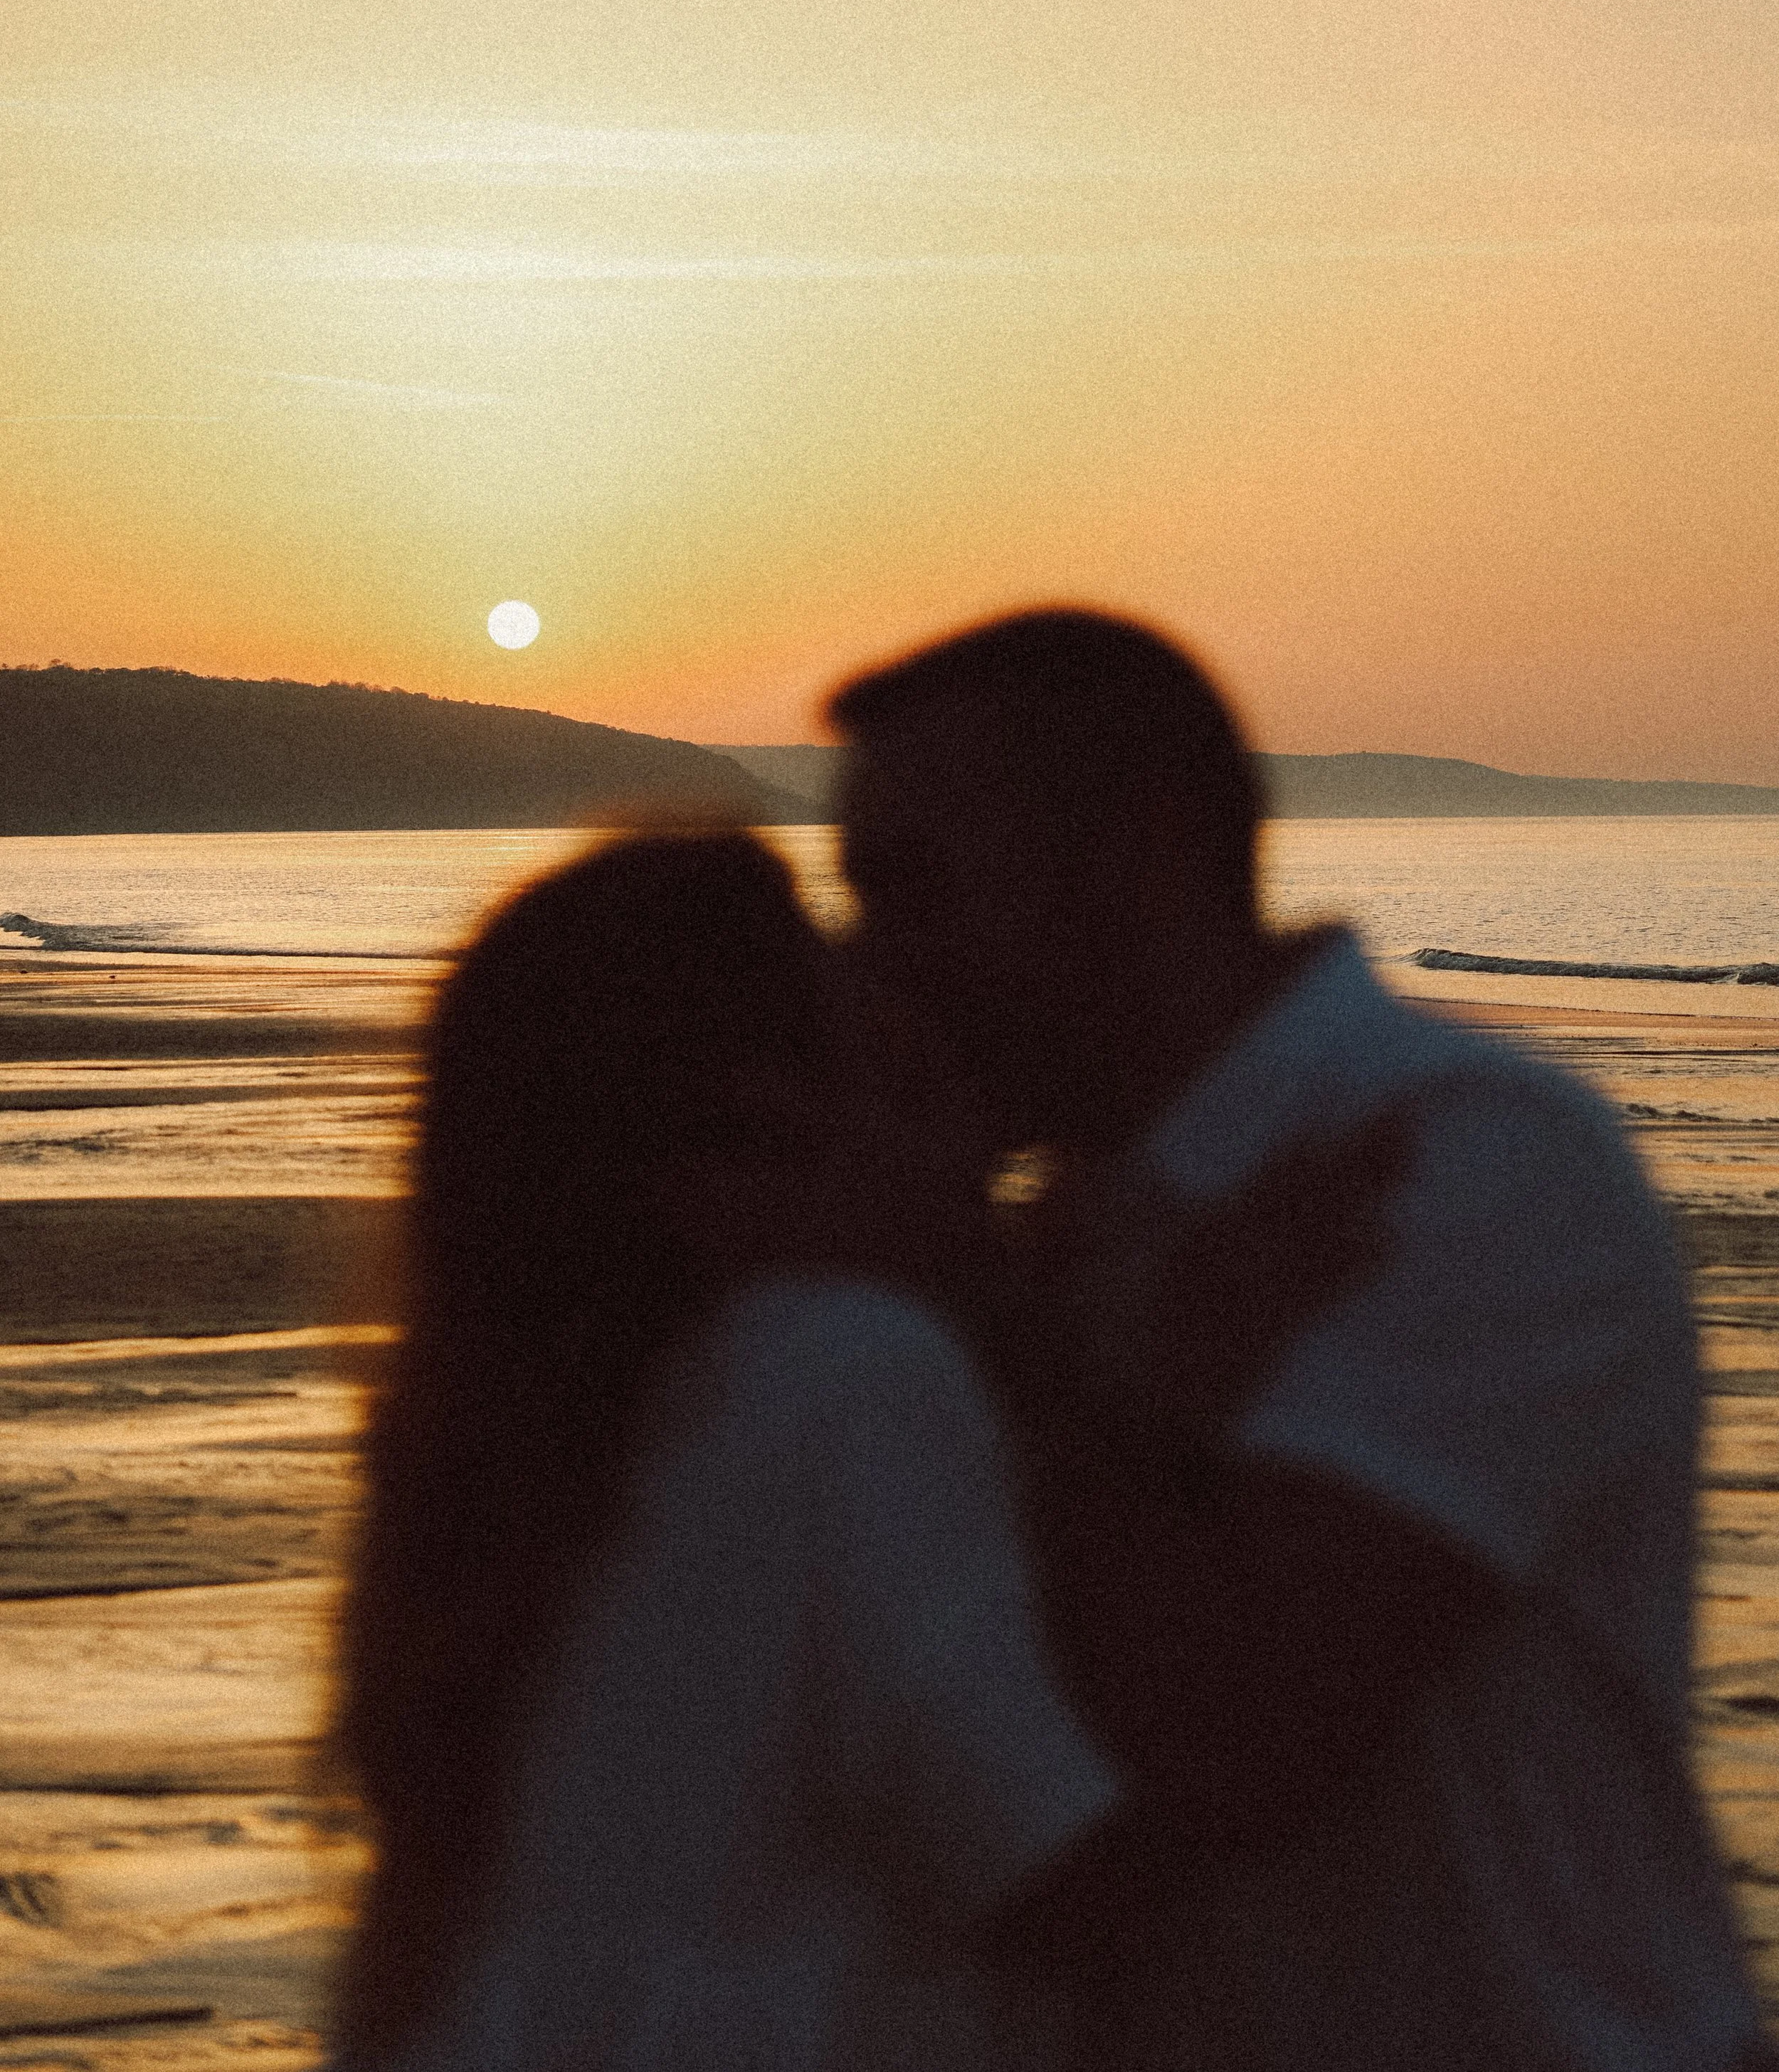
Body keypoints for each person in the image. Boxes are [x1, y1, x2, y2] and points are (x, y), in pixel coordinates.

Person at [830, 606, 1773, 2072]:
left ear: (1133, 857)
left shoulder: (1459, 1168)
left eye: (910, 889)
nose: (869, 964)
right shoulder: (1072, 1231)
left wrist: (988, 1309)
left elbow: (1225, 1740)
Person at [331, 828, 1124, 2072]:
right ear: (746, 1127)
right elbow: (1059, 1879)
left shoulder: (534, 1435)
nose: (901, 1003)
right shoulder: (835, 1372)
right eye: (839, 986)